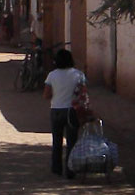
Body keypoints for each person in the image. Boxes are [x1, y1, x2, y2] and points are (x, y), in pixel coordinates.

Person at [43, 50, 86, 179]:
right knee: (72, 142)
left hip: (56, 110)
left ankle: (56, 169)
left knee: (57, 141)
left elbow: (46, 95)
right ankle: (70, 170)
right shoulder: (79, 75)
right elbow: (83, 94)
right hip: (72, 111)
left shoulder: (52, 75)